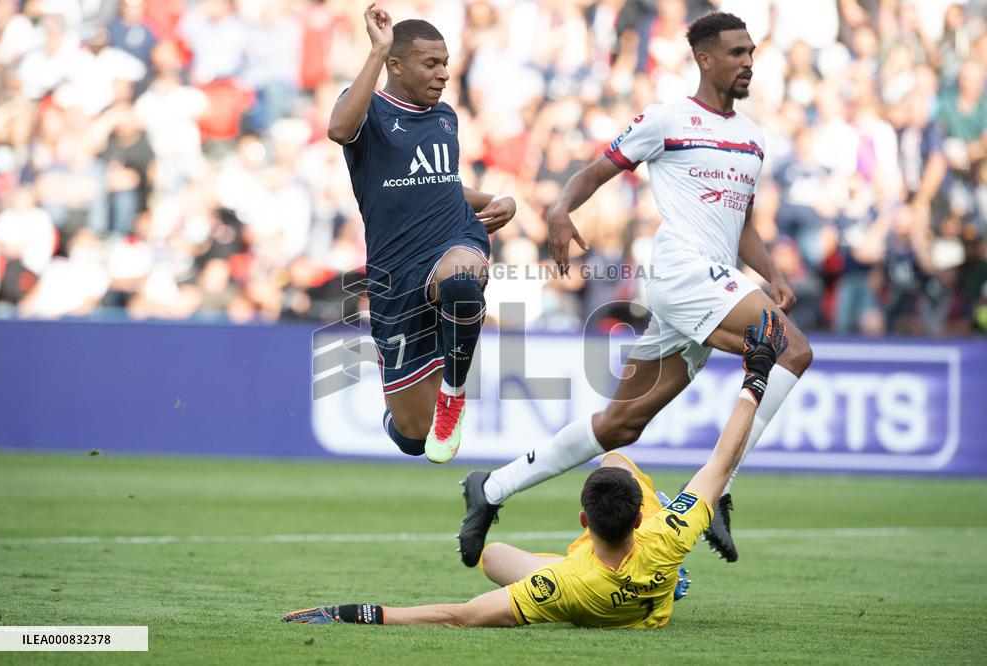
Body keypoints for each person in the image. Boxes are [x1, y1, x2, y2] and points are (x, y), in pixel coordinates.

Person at [458, 12, 812, 565]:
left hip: (716, 279)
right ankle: (714, 489)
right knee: (790, 349)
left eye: (751, 52)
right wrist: (558, 209)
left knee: (622, 423)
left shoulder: (752, 137)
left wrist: (776, 275)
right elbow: (595, 172)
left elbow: (741, 222)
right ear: (705, 58)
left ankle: (492, 487)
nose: (748, 62)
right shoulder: (667, 119)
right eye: (737, 52)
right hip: (679, 270)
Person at [281, 311, 787, 628]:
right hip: (650, 579)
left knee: (496, 556)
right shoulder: (666, 537)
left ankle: (496, 487)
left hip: (589, 590)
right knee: (619, 459)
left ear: (584, 524)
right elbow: (722, 460)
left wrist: (356, 613)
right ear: (640, 518)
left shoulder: (565, 585)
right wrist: (757, 374)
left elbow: (460, 617)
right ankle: (670, 579)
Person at [327, 5, 516, 463]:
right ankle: (411, 413)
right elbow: (337, 129)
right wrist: (377, 49)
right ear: (396, 65)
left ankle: (454, 394)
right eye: (431, 63)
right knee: (414, 438)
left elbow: (442, 186)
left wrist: (497, 199)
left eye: (446, 63)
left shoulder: (446, 117)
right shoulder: (366, 110)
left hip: (454, 240)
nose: (445, 74)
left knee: (463, 283)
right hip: (396, 273)